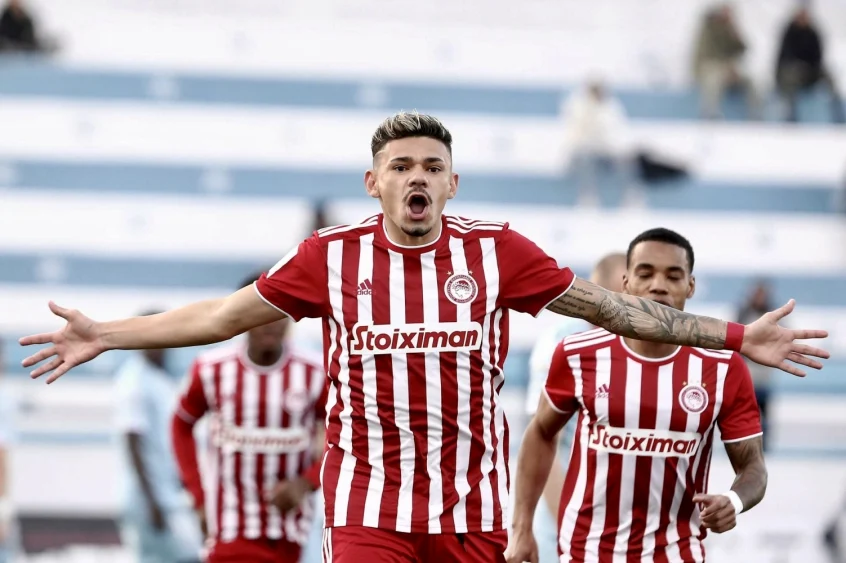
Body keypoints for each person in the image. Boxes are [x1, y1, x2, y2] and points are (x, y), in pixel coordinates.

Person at [18, 112, 828, 563]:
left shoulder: (499, 253)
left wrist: (733, 337)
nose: (417, 176)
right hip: (368, 503)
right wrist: (108, 334)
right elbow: (223, 316)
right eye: (401, 165)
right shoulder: (328, 258)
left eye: (431, 166)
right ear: (374, 182)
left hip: (471, 503)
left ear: (452, 182)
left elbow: (618, 311)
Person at [506, 228, 770, 563]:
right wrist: (522, 527)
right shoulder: (576, 353)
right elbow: (541, 432)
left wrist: (734, 500)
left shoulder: (723, 368)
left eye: (673, 276)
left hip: (678, 553)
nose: (658, 285)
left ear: (690, 286)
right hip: (586, 552)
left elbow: (753, 467)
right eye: (646, 274)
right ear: (626, 282)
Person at [171, 273, 327, 563]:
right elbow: (181, 424)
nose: (270, 322)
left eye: (279, 312)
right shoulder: (212, 370)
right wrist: (199, 497)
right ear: (241, 317)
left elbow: (346, 435)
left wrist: (306, 483)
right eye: (260, 313)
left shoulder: (314, 373)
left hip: (290, 530)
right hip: (229, 525)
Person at [524, 252, 626, 563]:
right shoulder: (563, 343)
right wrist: (568, 529)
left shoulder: (650, 347)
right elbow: (543, 440)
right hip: (564, 517)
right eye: (614, 297)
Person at [114, 314, 204, 563]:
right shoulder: (133, 381)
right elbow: (132, 440)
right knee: (185, 556)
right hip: (149, 499)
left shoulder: (159, 378)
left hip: (167, 494)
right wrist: (150, 501)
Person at [775, 6, 845, 124]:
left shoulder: (813, 33)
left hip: (811, 72)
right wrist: (799, 65)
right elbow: (785, 57)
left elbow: (819, 56)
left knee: (829, 79)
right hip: (792, 72)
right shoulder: (789, 32)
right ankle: (791, 117)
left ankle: (839, 117)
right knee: (790, 79)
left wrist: (812, 68)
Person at [691, 3, 760, 120]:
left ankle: (755, 114)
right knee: (714, 80)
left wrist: (737, 36)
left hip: (729, 69)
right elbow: (711, 54)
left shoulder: (731, 30)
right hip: (710, 66)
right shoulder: (709, 28)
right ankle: (710, 113)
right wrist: (727, 68)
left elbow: (742, 49)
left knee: (752, 81)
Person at [736, 280, 775, 451]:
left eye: (762, 294)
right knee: (745, 413)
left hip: (764, 376)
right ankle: (743, 445)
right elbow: (734, 338)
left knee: (764, 413)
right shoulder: (743, 313)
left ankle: (763, 446)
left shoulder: (773, 315)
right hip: (746, 375)